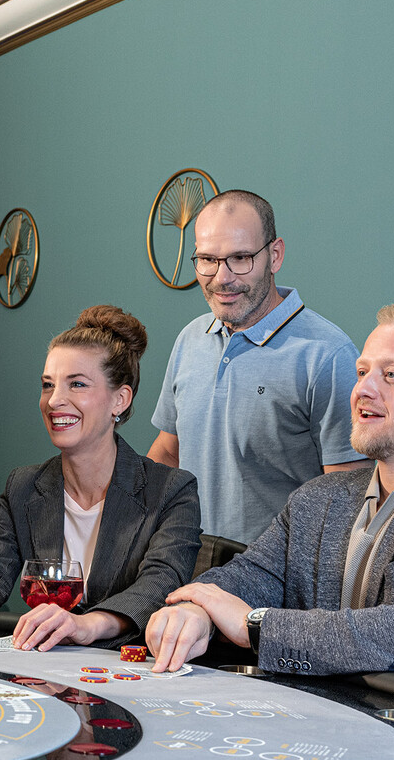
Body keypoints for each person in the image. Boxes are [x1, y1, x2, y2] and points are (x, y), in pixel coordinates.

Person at [146, 304, 394, 709]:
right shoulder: (320, 498)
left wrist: (257, 627)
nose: (363, 390)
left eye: (391, 375)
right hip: (337, 730)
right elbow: (248, 579)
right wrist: (195, 609)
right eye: (362, 372)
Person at [0, 306, 201, 651]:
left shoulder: (172, 492)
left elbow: (158, 587)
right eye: (48, 385)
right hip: (43, 673)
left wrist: (87, 624)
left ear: (120, 399)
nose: (55, 400)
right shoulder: (23, 487)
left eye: (77, 384)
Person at [146, 189, 367, 543]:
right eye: (208, 259)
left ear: (274, 256)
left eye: (241, 258)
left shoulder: (327, 355)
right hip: (184, 564)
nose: (222, 277)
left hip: (274, 582)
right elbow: (168, 453)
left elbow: (347, 499)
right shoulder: (190, 339)